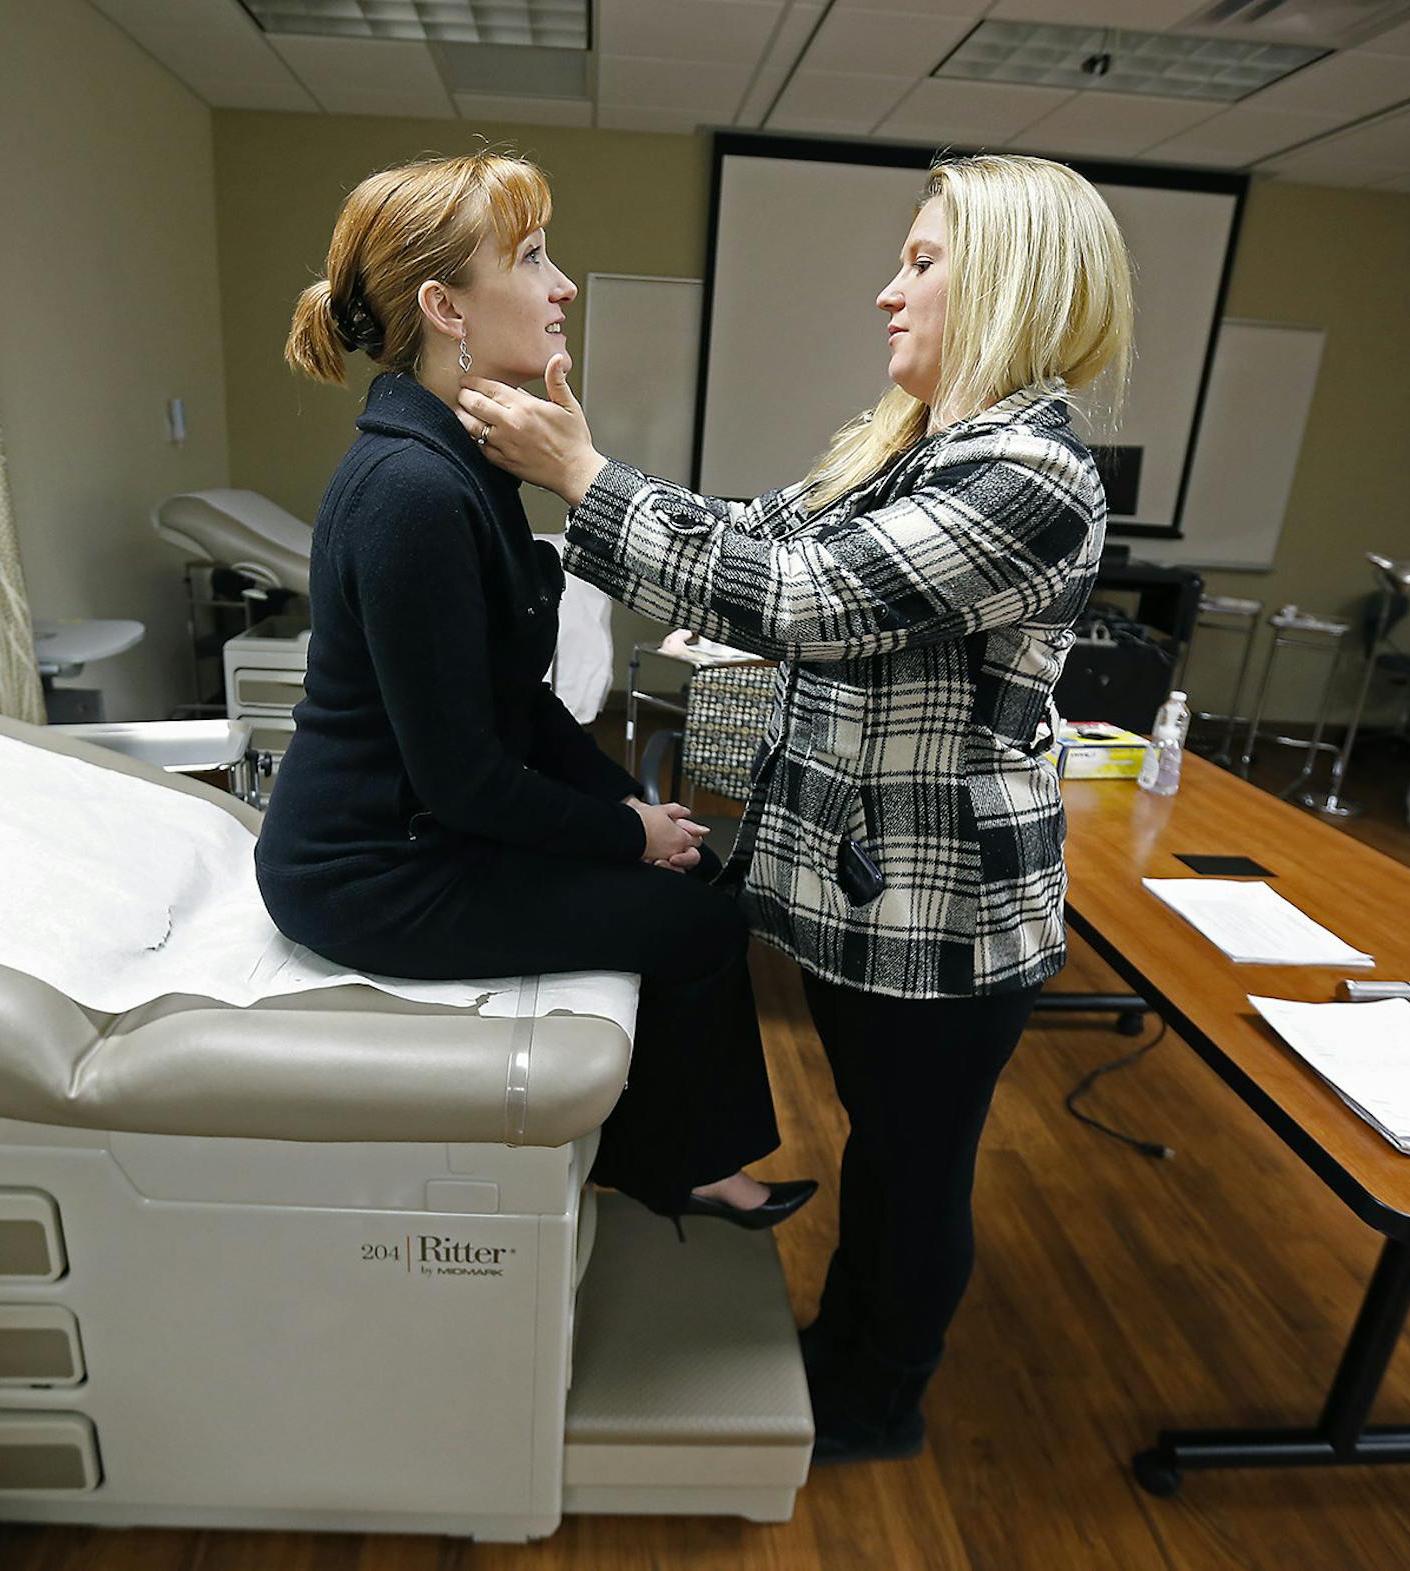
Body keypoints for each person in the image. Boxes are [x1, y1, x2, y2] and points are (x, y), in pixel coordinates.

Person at [456, 154, 1134, 1462]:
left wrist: (587, 476)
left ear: (1010, 285)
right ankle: (839, 1337)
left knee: (911, 1167)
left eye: (924, 263)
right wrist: (584, 489)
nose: (889, 292)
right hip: (860, 890)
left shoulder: (1032, 476)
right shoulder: (910, 444)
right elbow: (751, 534)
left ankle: (878, 1398)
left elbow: (797, 597)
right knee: (884, 1147)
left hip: (942, 924)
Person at [254, 150, 815, 1236]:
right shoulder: (411, 490)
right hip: (368, 872)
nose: (563, 287)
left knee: (699, 884)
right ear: (443, 306)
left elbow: (519, 706)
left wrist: (639, 819)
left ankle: (681, 1153)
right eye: (534, 258)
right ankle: (682, 1168)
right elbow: (464, 777)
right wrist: (619, 829)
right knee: (699, 930)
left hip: (422, 830)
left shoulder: (462, 462)